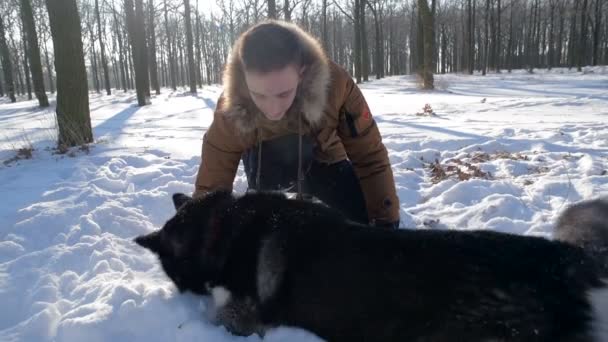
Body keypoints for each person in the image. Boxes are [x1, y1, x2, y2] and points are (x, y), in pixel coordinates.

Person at [193, 20, 400, 228]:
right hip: (266, 165)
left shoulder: (335, 84)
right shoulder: (232, 105)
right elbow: (213, 179)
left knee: (364, 224)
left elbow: (369, 154)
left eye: (283, 93)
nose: (273, 109)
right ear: (244, 78)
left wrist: (385, 219)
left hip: (325, 158)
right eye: (259, 95)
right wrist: (204, 231)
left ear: (302, 72)